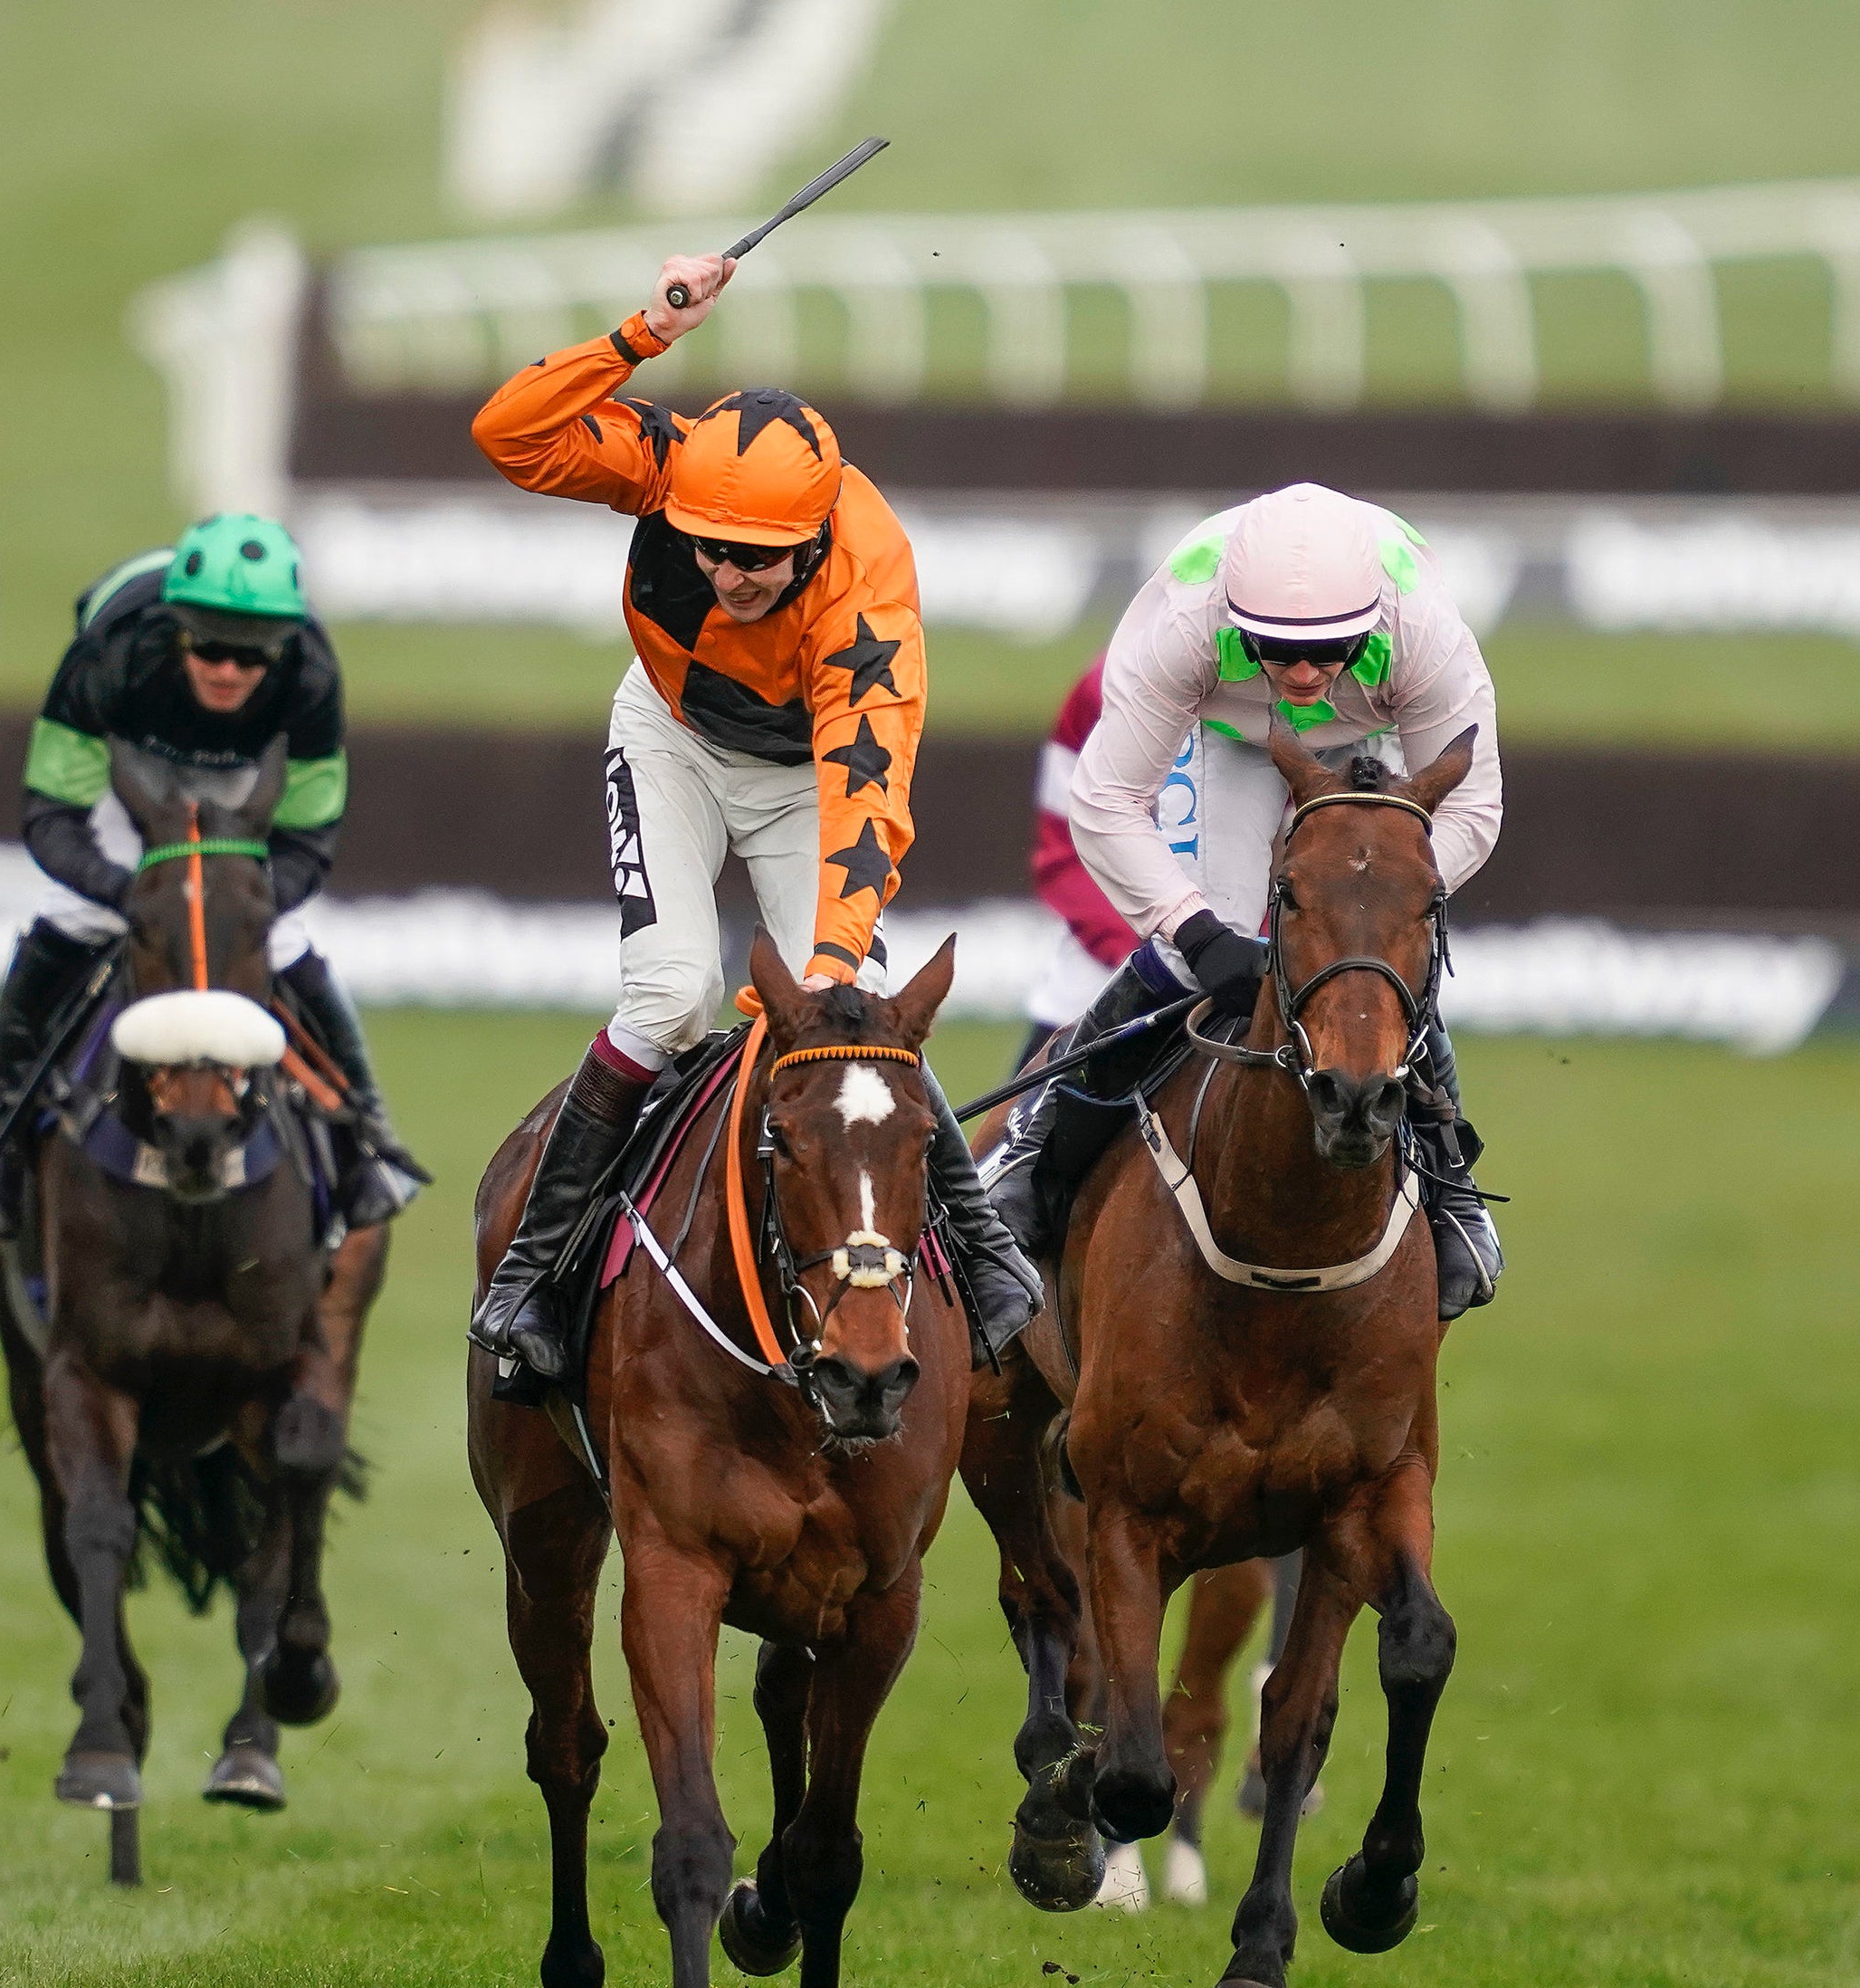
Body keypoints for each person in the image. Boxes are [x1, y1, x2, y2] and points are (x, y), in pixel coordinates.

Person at [463, 250, 1044, 1383]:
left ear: (816, 538)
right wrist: (644, 330)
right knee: (672, 991)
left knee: (857, 1016)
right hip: (670, 736)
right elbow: (509, 433)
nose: (732, 574)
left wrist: (827, 966)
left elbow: (868, 801)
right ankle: (533, 1272)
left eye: (764, 559)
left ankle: (983, 1257)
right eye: (714, 549)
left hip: (806, 782)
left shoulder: (867, 598)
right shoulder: (677, 469)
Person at [980, 482, 1507, 1320]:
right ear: (1234, 622)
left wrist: (1375, 900)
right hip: (1228, 738)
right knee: (1202, 947)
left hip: (1371, 733)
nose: (1301, 674)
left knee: (1370, 958)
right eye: (1274, 649)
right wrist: (1194, 929)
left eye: (1326, 651)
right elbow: (1104, 803)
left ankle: (1453, 1190)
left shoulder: (1425, 633)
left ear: (1369, 626)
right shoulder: (1181, 625)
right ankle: (1028, 1165)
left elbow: (1475, 806)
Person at [0, 515, 427, 1238]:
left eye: (252, 657)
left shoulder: (310, 674)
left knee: (291, 941)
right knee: (69, 918)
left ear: (283, 649)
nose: (229, 671)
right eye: (208, 648)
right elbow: (52, 814)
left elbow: (308, 839)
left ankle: (370, 1142)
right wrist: (133, 897)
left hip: (244, 788)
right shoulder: (110, 654)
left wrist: (245, 905)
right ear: (176, 630)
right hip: (130, 772)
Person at [1017, 654, 1138, 1074]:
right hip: (1094, 977)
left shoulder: (1289, 688)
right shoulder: (1102, 686)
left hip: (1233, 975)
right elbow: (1063, 844)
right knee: (1013, 1137)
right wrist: (1137, 952)